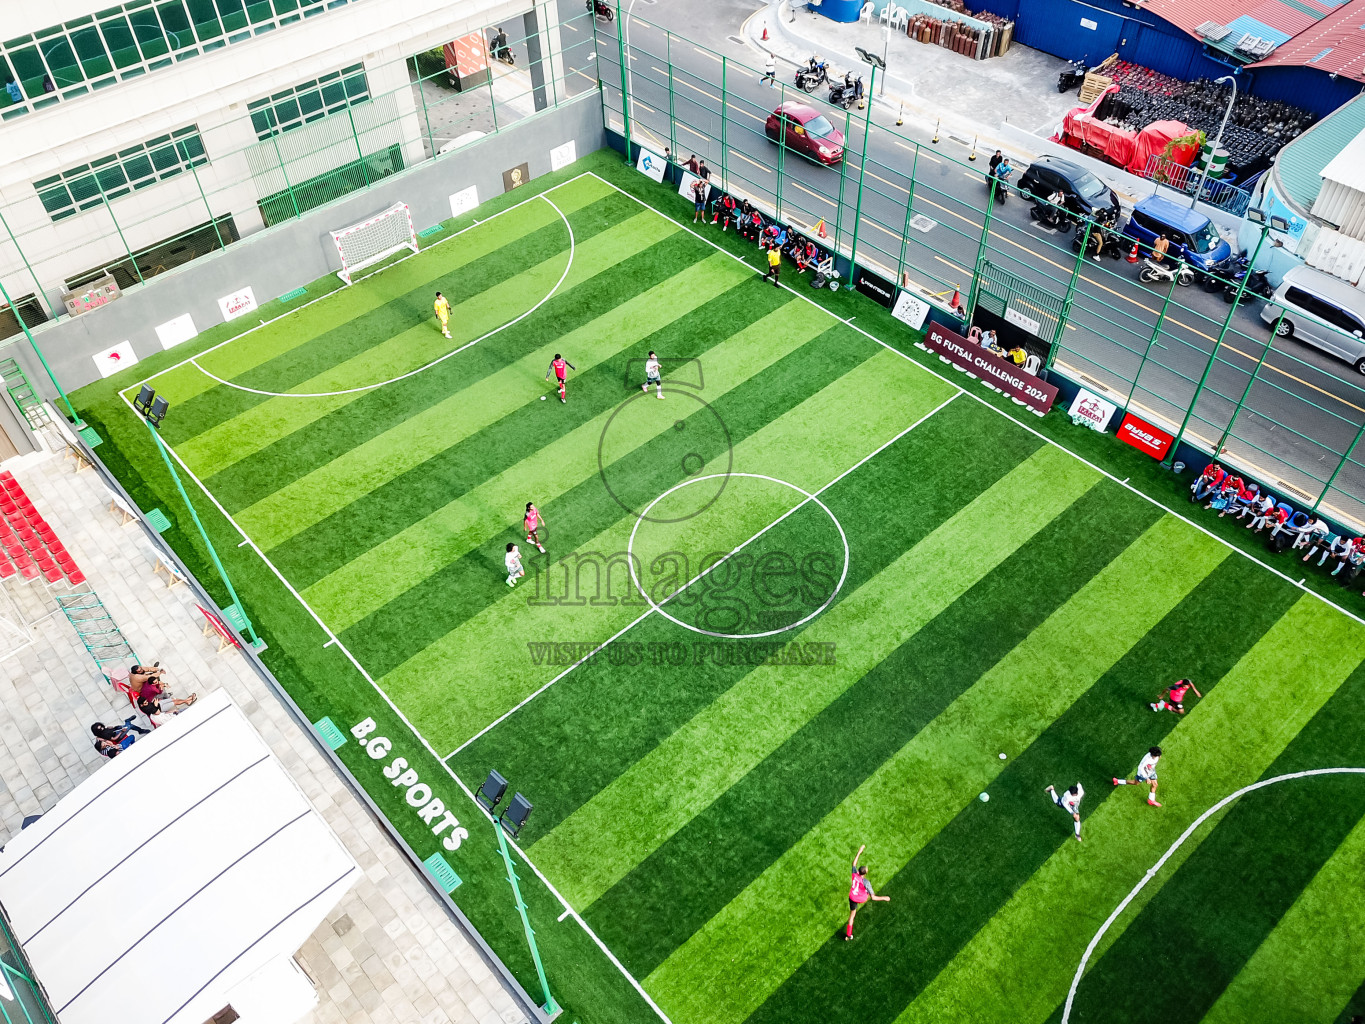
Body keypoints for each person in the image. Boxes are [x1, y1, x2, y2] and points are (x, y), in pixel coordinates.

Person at [845, 844, 890, 940]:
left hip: (851, 896)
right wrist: (884, 897)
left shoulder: (854, 874)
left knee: (852, 915)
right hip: (860, 898)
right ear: (864, 873)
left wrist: (859, 852)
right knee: (868, 893)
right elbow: (873, 897)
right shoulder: (866, 882)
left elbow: (854, 864)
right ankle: (865, 893)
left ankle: (848, 935)